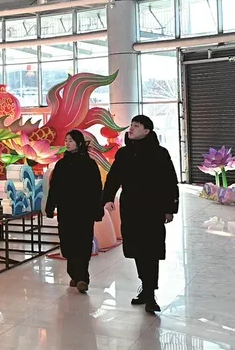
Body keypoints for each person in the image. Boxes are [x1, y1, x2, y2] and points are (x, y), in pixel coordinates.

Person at [102, 114, 179, 313]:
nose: (131, 128)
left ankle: (150, 293)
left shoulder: (160, 153)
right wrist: (108, 197)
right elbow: (114, 177)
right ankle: (145, 287)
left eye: (136, 126)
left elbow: (170, 181)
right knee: (136, 249)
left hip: (153, 208)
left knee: (151, 250)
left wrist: (170, 208)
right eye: (131, 125)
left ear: (147, 131)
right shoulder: (124, 153)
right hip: (131, 208)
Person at [45, 130, 103, 293]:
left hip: (85, 211)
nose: (67, 143)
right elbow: (54, 188)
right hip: (66, 210)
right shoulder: (61, 164)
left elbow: (96, 188)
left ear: (79, 143)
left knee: (83, 242)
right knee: (68, 243)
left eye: (70, 140)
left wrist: (98, 210)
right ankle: (74, 274)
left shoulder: (89, 164)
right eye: (66, 140)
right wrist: (50, 207)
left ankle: (82, 277)